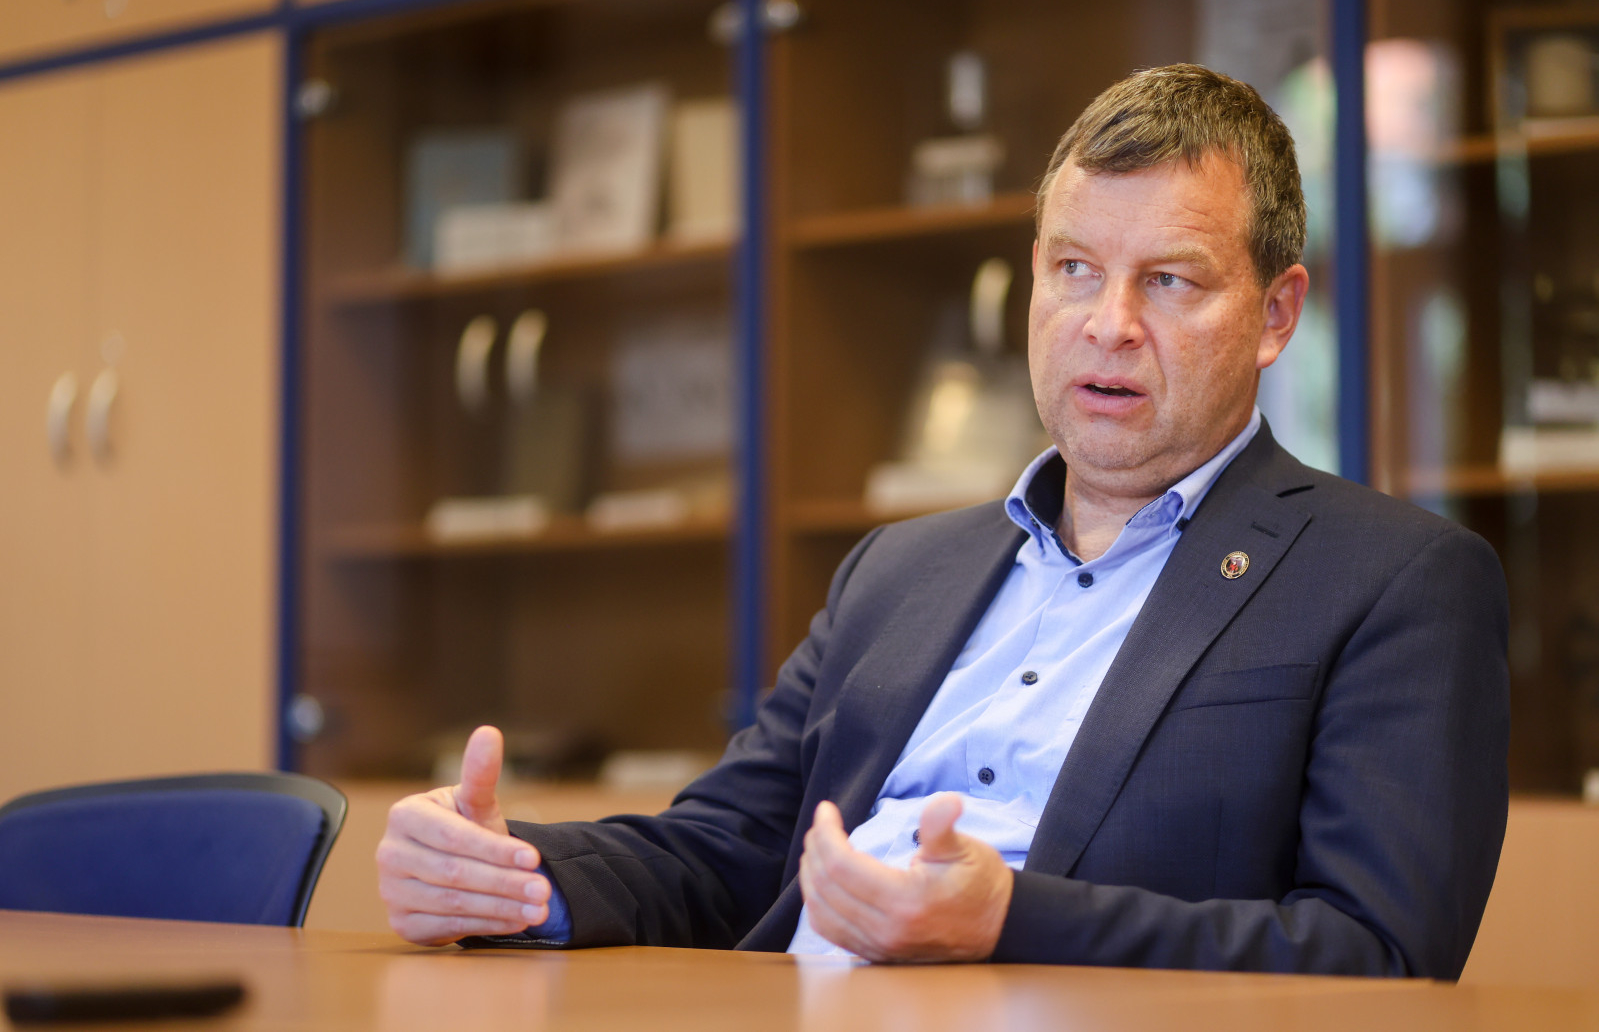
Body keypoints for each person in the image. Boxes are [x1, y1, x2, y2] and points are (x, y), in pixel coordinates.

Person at [375, 64, 1509, 976]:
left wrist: (1009, 920)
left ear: (1274, 315)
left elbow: (1379, 951)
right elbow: (732, 848)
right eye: (1075, 269)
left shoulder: (1395, 579)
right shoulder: (899, 568)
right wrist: (511, 876)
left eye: (1170, 280)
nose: (1108, 324)